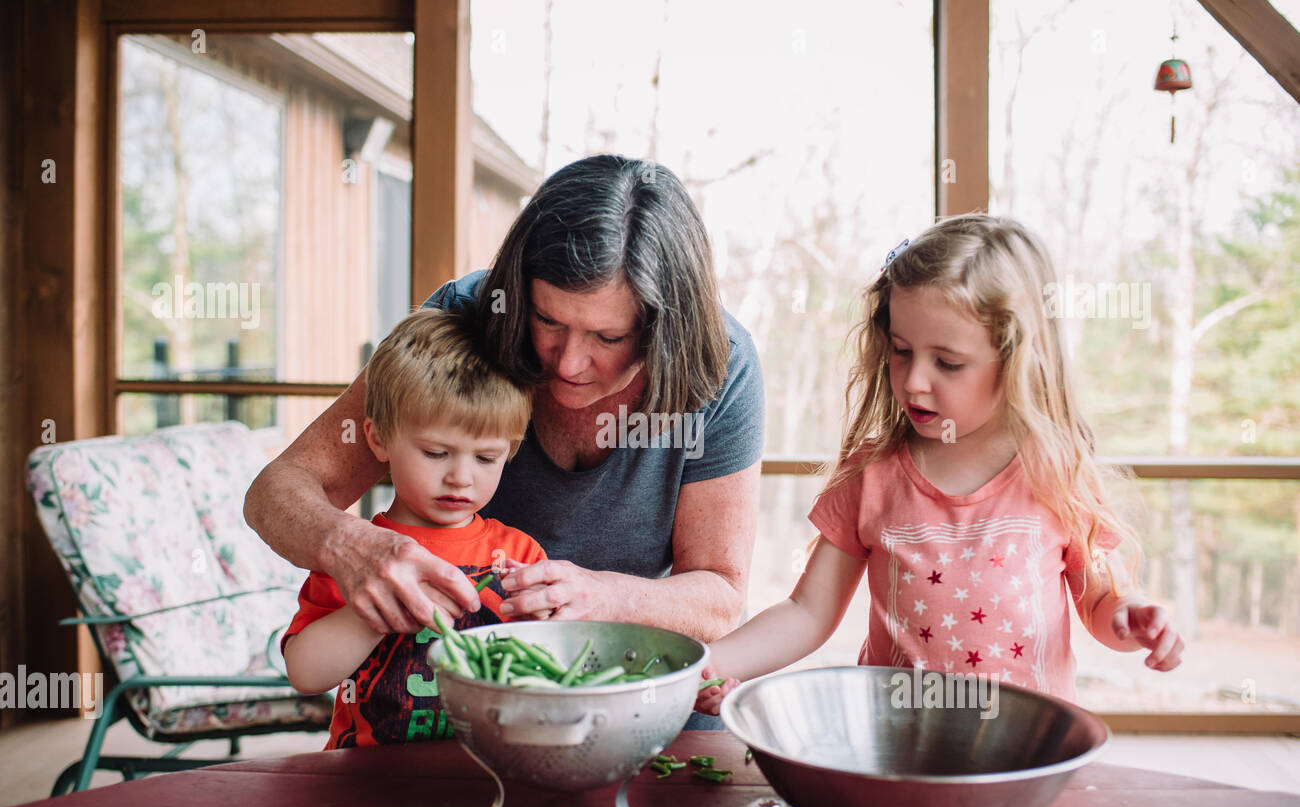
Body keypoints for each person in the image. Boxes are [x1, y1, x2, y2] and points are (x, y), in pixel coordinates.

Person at [244, 154, 764, 729]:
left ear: (665, 329)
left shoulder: (721, 365)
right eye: (547, 320)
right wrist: (347, 546)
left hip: (627, 683)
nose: (568, 362)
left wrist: (606, 599)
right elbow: (276, 490)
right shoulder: (461, 324)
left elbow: (719, 592)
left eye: (608, 336)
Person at [695, 214, 1184, 714]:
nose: (913, 382)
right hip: (895, 750)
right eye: (901, 351)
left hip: (1022, 757)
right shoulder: (873, 475)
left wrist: (1132, 615)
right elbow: (806, 613)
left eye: (947, 363)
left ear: (1017, 360)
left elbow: (1101, 605)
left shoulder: (1056, 472)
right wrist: (708, 665)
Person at [281, 307, 546, 747]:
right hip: (366, 782)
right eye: (435, 452)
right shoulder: (358, 553)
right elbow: (305, 675)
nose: (461, 477)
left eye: (485, 458)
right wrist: (378, 610)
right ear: (379, 438)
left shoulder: (519, 555)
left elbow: (545, 679)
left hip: (484, 777)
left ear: (511, 450)